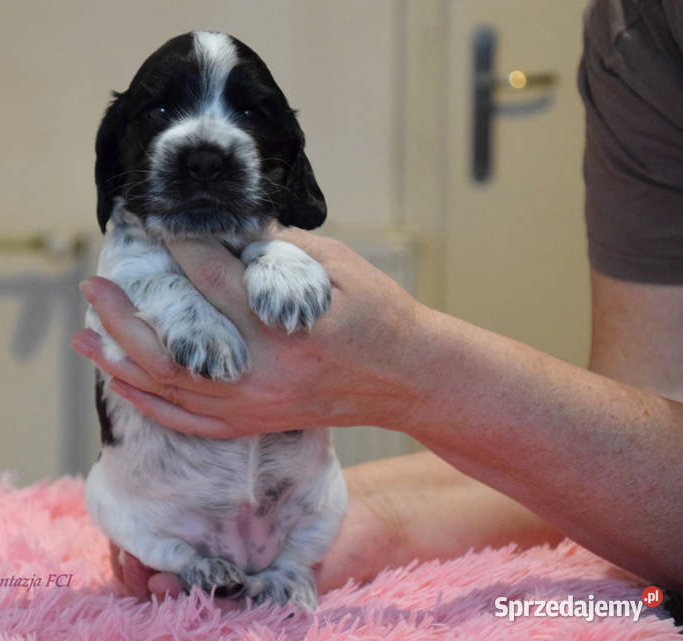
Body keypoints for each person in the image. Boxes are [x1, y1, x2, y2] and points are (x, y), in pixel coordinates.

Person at [71, 0, 683, 613]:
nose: (204, 148)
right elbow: (637, 419)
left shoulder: (274, 249)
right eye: (159, 111)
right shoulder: (634, 33)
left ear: (286, 154)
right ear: (115, 148)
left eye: (250, 112)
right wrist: (381, 519)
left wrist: (402, 361)